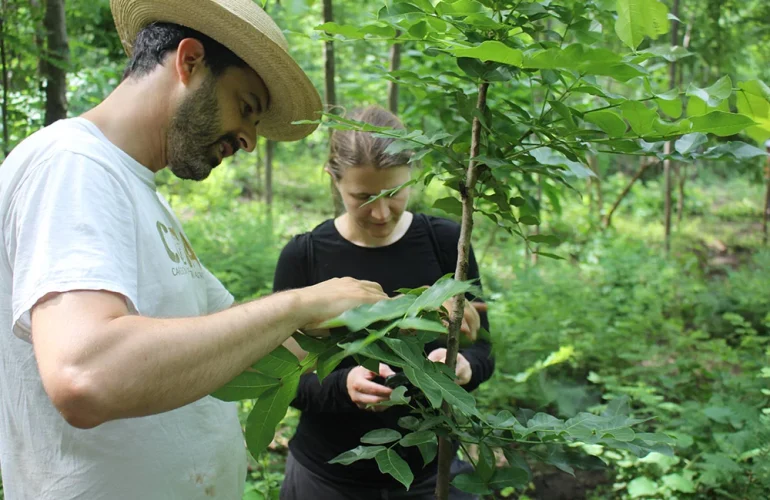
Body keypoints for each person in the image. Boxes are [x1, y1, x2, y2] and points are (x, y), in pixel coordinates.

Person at [0, 1, 388, 498]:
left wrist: (399, 319)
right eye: (246, 107)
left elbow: (247, 346)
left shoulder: (137, 194)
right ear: (189, 61)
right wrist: (300, 302)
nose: (249, 140)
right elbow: (86, 374)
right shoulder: (73, 166)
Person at [273, 106, 495, 499]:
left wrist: (463, 368)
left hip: (432, 475)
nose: (380, 212)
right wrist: (342, 386)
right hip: (326, 478)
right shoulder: (304, 256)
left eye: (394, 193)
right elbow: (284, 380)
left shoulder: (446, 244)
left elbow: (483, 350)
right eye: (363, 196)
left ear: (412, 174)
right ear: (334, 179)